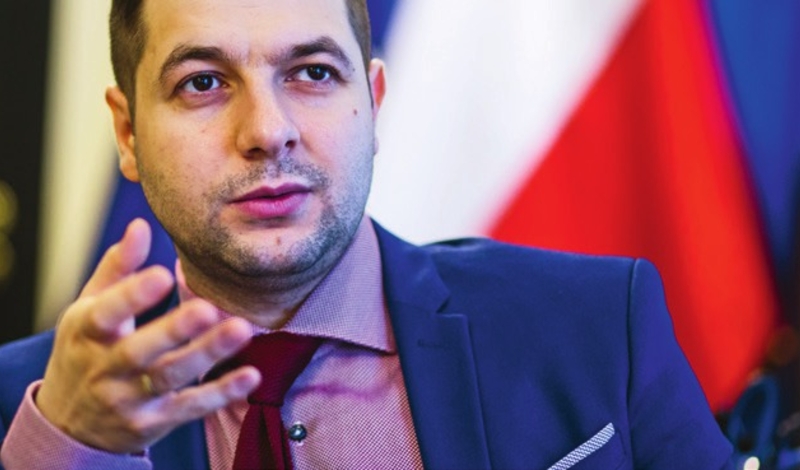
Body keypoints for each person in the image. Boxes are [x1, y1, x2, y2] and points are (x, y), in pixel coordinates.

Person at [0, 0, 733, 468]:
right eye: (203, 83)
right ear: (128, 131)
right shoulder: (28, 409)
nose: (268, 131)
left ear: (374, 103)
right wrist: (74, 450)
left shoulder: (596, 327)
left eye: (313, 73)